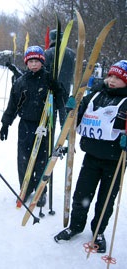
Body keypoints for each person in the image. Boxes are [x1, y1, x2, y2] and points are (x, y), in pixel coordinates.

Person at [54, 60, 127, 253]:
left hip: (115, 161)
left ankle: (99, 232)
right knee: (81, 195)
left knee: (106, 201)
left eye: (118, 78)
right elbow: (76, 117)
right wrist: (71, 109)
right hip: (91, 157)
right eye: (110, 75)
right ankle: (76, 226)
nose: (111, 80)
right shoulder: (94, 94)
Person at [0, 46, 64, 207]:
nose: (34, 65)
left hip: (45, 124)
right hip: (26, 125)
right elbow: (13, 104)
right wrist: (5, 123)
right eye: (31, 61)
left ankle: (40, 189)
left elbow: (61, 101)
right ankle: (26, 187)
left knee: (42, 159)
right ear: (27, 63)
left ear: (42, 62)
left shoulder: (49, 79)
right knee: (24, 158)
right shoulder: (21, 82)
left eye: (37, 61)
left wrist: (57, 88)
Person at [44, 29, 75, 128]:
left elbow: (45, 71)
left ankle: (50, 132)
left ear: (51, 39)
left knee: (51, 116)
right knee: (63, 113)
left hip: (51, 89)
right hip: (65, 87)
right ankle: (65, 133)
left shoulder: (48, 53)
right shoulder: (71, 54)